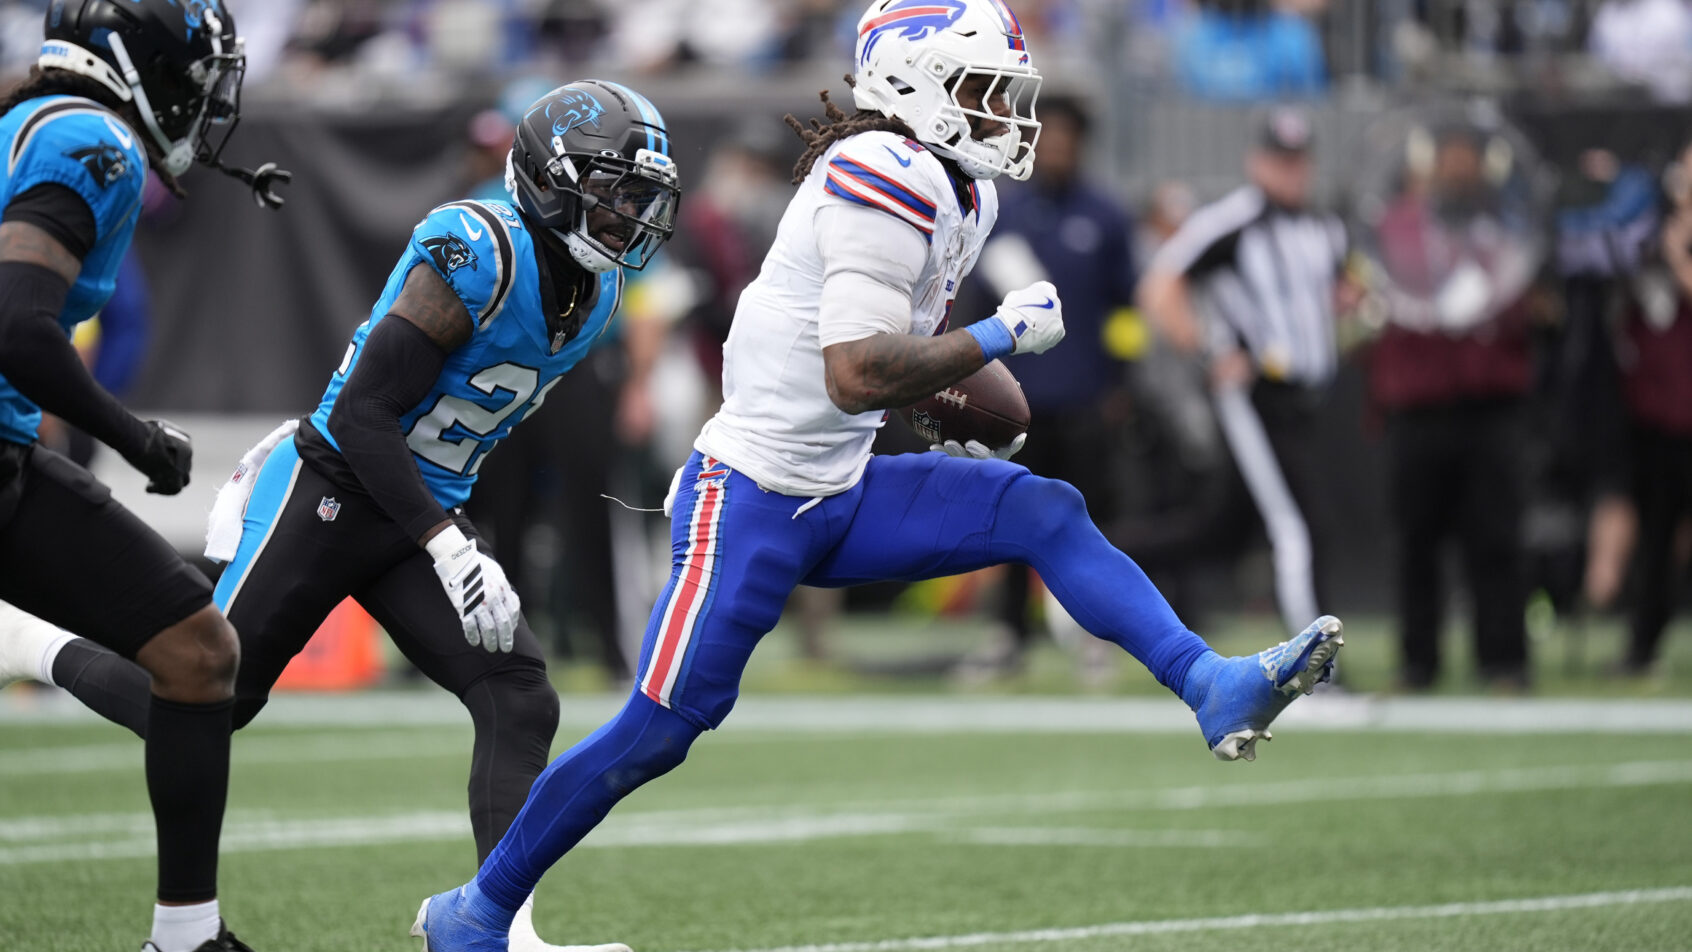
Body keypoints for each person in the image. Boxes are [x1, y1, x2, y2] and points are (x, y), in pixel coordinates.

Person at [410, 3, 1342, 949]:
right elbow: (853, 373)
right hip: (750, 497)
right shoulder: (881, 171)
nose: (1005, 113)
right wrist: (997, 337)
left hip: (841, 487)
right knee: (659, 728)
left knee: (1045, 511)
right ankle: (476, 911)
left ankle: (1209, 683)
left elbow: (887, 357)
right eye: (982, 90)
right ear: (916, 85)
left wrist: (948, 399)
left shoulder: (961, 189)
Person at [3, 78, 679, 952]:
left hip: (419, 510)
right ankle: (25, 640)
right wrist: (449, 545)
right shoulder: (478, 248)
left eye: (640, 197)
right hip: (334, 487)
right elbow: (362, 415)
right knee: (207, 694)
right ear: (552, 182)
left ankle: (493, 929)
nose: (630, 215)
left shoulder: (597, 294)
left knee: (518, 695)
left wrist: (442, 532)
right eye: (614, 191)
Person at [0, 1, 287, 950]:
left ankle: (188, 935)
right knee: (199, 652)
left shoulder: (28, 120)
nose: (201, 101)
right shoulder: (91, 139)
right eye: (194, 78)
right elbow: (18, 325)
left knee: (197, 652)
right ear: (143, 65)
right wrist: (136, 439)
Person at [1137, 106, 1352, 639]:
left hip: (1307, 399)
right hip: (1256, 395)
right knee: (1299, 527)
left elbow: (1337, 301)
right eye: (1280, 160)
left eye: (1299, 160)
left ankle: (1101, 556)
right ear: (1257, 162)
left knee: (1220, 533)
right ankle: (1318, 666)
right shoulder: (1233, 220)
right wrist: (1208, 352)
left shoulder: (1324, 227)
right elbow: (1160, 285)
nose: (1291, 172)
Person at [1370, 127, 1535, 691]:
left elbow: (1529, 300)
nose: (1458, 169)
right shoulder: (1396, 227)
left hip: (1491, 404)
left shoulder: (1507, 225)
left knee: (1497, 537)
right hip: (1420, 404)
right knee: (1416, 540)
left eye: (1468, 158)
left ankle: (1504, 659)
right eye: (1449, 157)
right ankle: (1418, 661)